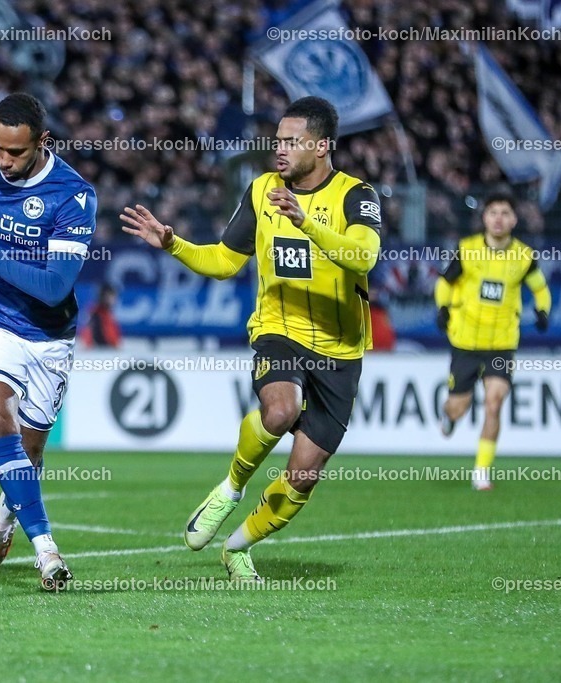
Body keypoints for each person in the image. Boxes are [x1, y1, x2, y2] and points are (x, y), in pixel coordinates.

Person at [121, 96, 381, 582]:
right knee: (280, 411)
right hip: (277, 329)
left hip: (340, 349)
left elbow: (364, 257)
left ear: (322, 146)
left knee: (304, 473)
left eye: (291, 142)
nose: (279, 149)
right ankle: (231, 487)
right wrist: (172, 243)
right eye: (277, 140)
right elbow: (224, 261)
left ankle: (238, 546)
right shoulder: (262, 190)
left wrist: (308, 224)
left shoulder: (355, 195)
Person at [0, 92, 97, 590]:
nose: (3, 162)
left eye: (15, 152)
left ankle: (6, 518)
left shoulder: (72, 197)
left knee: (28, 453)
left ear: (42, 143)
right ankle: (47, 553)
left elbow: (54, 288)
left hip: (47, 336)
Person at [435, 192, 551, 491]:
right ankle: (448, 416)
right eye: (493, 212)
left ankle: (481, 472)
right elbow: (445, 283)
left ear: (513, 219)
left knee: (494, 403)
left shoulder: (524, 256)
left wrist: (542, 311)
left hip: (501, 342)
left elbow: (541, 289)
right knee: (459, 406)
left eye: (505, 213)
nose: (498, 218)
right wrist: (443, 308)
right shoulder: (467, 249)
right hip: (465, 340)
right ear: (484, 218)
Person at [79, 282, 122, 348]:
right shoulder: (96, 314)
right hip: (100, 353)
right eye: (112, 295)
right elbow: (88, 338)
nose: (114, 299)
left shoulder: (106, 313)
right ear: (104, 296)